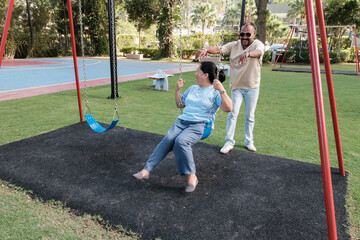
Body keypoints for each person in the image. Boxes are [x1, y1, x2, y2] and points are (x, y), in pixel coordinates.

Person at [133, 61, 232, 192]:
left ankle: (192, 177)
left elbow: (228, 108)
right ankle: (146, 170)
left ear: (205, 75)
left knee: (181, 141)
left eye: (198, 71)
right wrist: (177, 89)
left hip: (201, 124)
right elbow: (180, 104)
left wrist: (222, 91)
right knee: (169, 139)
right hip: (182, 121)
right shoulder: (192, 88)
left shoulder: (214, 92)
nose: (195, 74)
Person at [195, 22, 265, 154]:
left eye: (248, 34)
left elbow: (259, 52)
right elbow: (219, 49)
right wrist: (206, 50)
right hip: (236, 86)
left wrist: (248, 54)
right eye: (242, 34)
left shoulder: (257, 44)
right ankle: (229, 141)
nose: (244, 37)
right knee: (233, 114)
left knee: (250, 116)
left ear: (254, 34)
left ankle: (249, 141)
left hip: (252, 86)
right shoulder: (234, 45)